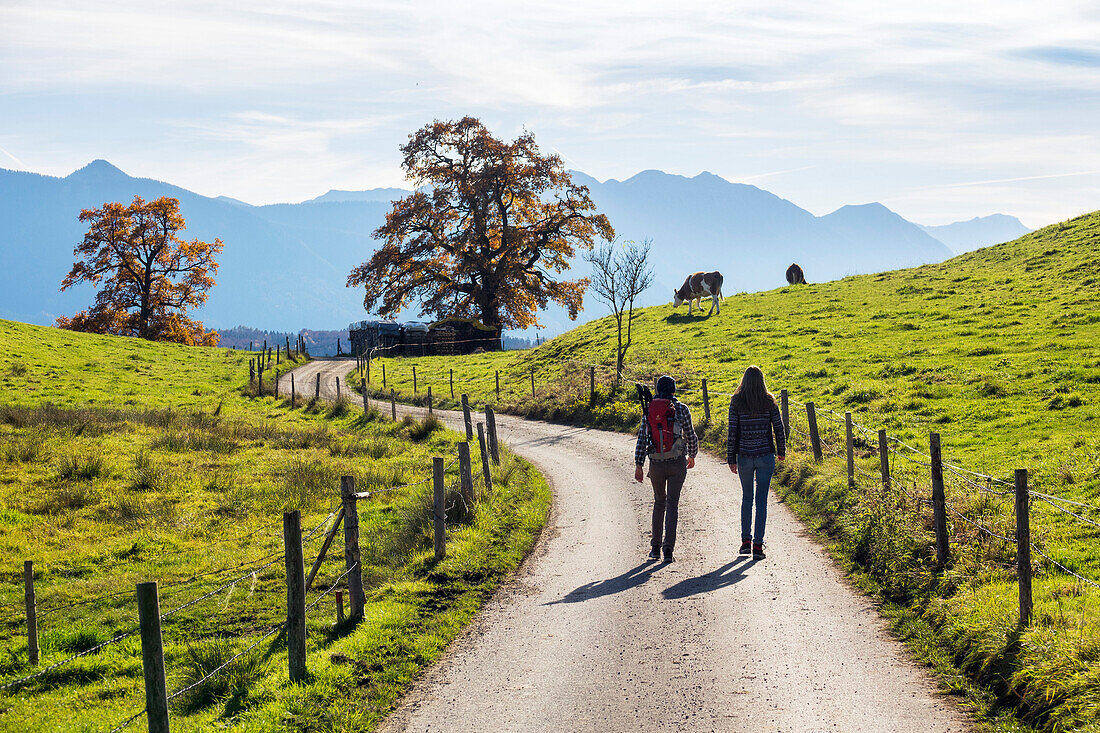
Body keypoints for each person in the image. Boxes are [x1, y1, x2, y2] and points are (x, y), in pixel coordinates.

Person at [633, 375, 698, 562]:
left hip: (656, 463)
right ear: (674, 390)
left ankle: (655, 549)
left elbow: (642, 439)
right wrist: (692, 455)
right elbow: (691, 435)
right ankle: (668, 550)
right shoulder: (682, 408)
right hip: (677, 461)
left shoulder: (650, 410)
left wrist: (639, 464)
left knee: (659, 503)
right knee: (672, 504)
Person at [726, 366, 785, 559]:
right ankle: (758, 546)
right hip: (765, 455)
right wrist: (781, 451)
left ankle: (745, 542)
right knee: (761, 501)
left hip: (744, 456)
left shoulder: (736, 402)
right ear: (761, 380)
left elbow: (732, 432)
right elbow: (779, 427)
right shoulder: (769, 401)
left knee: (747, 499)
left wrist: (731, 457)